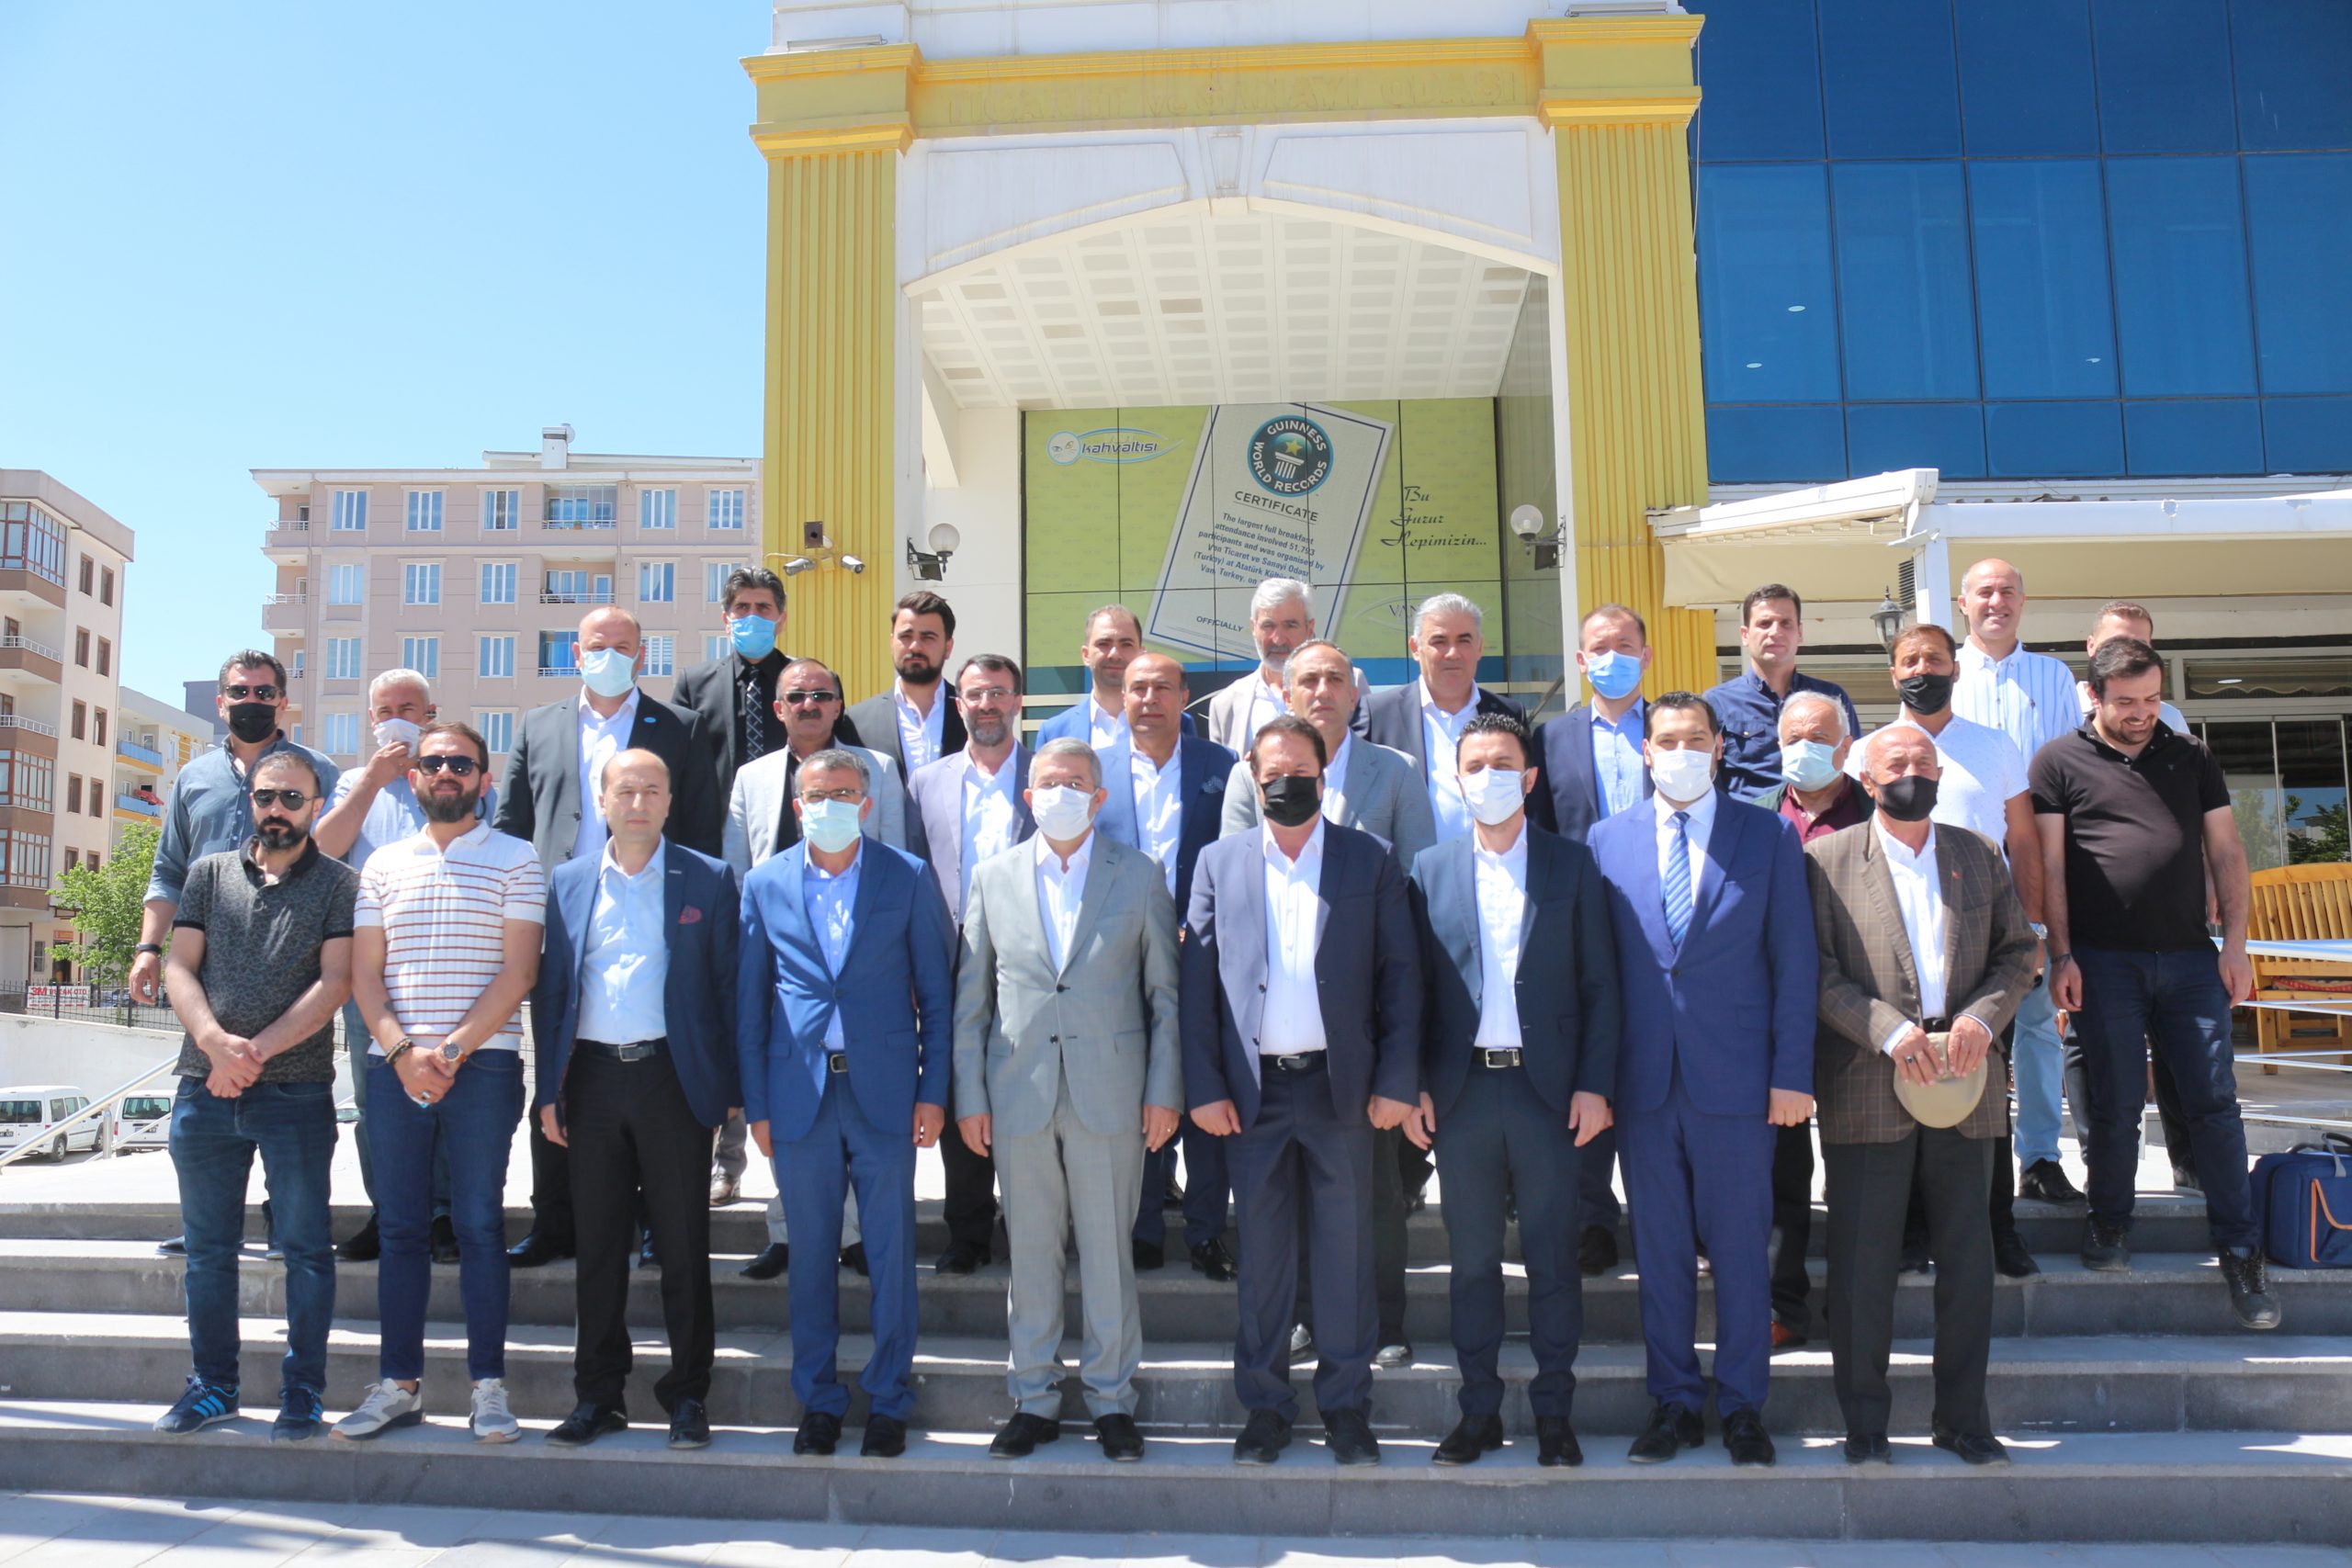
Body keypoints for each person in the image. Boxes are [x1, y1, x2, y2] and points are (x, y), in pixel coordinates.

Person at [1181, 716, 1422, 1468]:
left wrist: (1397, 1081)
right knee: (1264, 1261)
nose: (1287, 785)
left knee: (1347, 1255)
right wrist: (1203, 1086)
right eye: (1273, 774)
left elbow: (1401, 977)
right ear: (1254, 780)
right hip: (1251, 1096)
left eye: (1302, 773)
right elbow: (1197, 988)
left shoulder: (1369, 858)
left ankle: (1347, 1409)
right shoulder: (1218, 861)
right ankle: (1266, 1409)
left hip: (1340, 1092)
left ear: (1324, 776)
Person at [1589, 694, 1816, 1467]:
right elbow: (1600, 974)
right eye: (1667, 740)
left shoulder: (1767, 833)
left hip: (1740, 1083)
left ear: (1719, 747)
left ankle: (1744, 1404)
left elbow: (1794, 962)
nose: (1681, 751)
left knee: (1743, 1250)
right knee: (1659, 1253)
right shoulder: (1606, 839)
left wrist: (1791, 1074)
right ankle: (1675, 1401)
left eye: (1695, 739)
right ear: (1645, 750)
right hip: (1645, 1085)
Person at [1806, 727, 2040, 1468]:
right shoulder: (1825, 860)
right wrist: (1883, 1028)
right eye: (1896, 763)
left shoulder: (1979, 852)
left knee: (1968, 1267)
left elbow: (2018, 952)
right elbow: (1812, 969)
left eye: (1923, 762)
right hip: (1868, 1083)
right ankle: (1865, 1424)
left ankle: (1963, 1420)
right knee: (1862, 1268)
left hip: (1964, 1084)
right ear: (1867, 780)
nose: (1913, 772)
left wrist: (1982, 1019)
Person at [2034, 637, 2280, 1331]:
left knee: (2215, 1103)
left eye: (2150, 698)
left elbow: (2227, 850)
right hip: (2102, 960)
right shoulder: (2058, 761)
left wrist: (2236, 947)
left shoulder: (2191, 755)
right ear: (2094, 696)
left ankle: (2241, 1250)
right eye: (2125, 702)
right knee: (2114, 1103)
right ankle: (2109, 1221)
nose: (2142, 713)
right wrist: (2061, 954)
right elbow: (2050, 868)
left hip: (2191, 960)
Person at [953, 739, 1182, 1463]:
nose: (1062, 793)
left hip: (1110, 1094)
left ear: (1099, 796)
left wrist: (1164, 1091)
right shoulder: (992, 877)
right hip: (1018, 1093)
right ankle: (1035, 1397)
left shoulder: (1139, 874)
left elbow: (1165, 996)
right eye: (1049, 782)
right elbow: (971, 1002)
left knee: (1109, 1251)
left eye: (1076, 782)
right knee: (1030, 1253)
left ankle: (1112, 1400)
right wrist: (969, 1095)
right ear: (1028, 796)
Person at [1408, 714, 1617, 1468]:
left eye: (1504, 764)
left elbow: (1600, 984)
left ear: (1529, 778)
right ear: (1456, 778)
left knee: (1554, 1259)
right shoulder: (1428, 868)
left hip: (1547, 1093)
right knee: (1471, 1265)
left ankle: (1555, 1413)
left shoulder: (1572, 864)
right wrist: (1414, 1084)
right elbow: (1412, 990)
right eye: (1475, 765)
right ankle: (1479, 1411)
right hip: (1462, 1094)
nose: (1489, 776)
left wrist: (1594, 1084)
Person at [737, 749, 956, 1460]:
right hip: (799, 1095)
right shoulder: (765, 882)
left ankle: (889, 1399)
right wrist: (757, 1105)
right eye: (816, 794)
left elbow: (937, 996)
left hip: (885, 1093)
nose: (829, 804)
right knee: (809, 1257)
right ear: (796, 804)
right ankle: (819, 1401)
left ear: (866, 802)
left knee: (891, 1252)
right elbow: (749, 1003)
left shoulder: (907, 875)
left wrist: (933, 1091)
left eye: (844, 793)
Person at [1220, 637, 1430, 1363]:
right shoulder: (1250, 773)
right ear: (1286, 692)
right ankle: (1304, 1316)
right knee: (1290, 1199)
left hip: (1360, 1026)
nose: (1321, 690)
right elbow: (1234, 886)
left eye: (1335, 678)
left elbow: (1417, 884)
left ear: (1355, 691)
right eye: (1307, 678)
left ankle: (1386, 1322)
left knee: (1374, 1193)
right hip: (1277, 1029)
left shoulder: (1394, 771)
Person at [335, 723, 545, 1444]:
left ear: (484, 777)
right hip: (393, 1065)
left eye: (461, 762)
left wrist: (449, 1051)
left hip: (482, 1066)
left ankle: (489, 1388)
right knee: (400, 1228)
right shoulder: (382, 864)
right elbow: (364, 974)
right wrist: (403, 1052)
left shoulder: (518, 858)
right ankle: (398, 1385)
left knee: (480, 1224)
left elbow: (520, 971)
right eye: (433, 762)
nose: (446, 771)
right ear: (414, 777)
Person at [496, 605, 720, 1269]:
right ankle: (554, 1220)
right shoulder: (538, 725)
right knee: (558, 1067)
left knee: (655, 1078)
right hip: (562, 921)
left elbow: (701, 825)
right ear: (576, 652)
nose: (610, 656)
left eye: (624, 647)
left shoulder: (680, 727)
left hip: (654, 918)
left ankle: (654, 1222)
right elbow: (512, 825)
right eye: (598, 645)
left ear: (642, 656)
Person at [531, 750, 740, 1452]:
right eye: (626, 789)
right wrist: (548, 1090)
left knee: (682, 1245)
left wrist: (729, 1092)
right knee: (597, 1247)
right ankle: (598, 1395)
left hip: (672, 1078)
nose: (639, 801)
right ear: (603, 799)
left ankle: (688, 1394)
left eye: (653, 788)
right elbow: (552, 992)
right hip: (590, 1080)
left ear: (670, 799)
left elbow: (727, 988)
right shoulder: (567, 881)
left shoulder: (708, 878)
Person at [153, 750, 356, 1444]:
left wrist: (252, 1054)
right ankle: (214, 1386)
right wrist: (214, 1044)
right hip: (203, 1088)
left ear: (315, 806)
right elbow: (181, 965)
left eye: (292, 798)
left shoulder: (340, 884)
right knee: (208, 1253)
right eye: (267, 796)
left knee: (305, 1250)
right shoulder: (208, 874)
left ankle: (303, 1392)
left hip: (294, 1093)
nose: (277, 809)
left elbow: (335, 984)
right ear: (252, 801)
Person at [1849, 624, 2044, 1279]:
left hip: (1981, 947)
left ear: (1955, 668)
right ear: (1893, 673)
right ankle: (1911, 1231)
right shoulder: (1869, 750)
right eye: (1909, 660)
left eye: (1934, 658)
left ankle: (1997, 1227)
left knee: (1984, 1096)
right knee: (1903, 1094)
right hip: (1895, 948)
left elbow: (2023, 842)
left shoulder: (1993, 745)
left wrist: (2035, 934)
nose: (1921, 669)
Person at [718, 656, 902, 1252]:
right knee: (791, 1110)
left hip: (858, 974)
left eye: (822, 695)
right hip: (784, 973)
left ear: (838, 706)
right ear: (778, 709)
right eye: (797, 696)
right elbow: (738, 873)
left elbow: (898, 861)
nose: (809, 705)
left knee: (857, 1114)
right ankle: (788, 1236)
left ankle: (854, 1239)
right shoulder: (752, 778)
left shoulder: (878, 770)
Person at [315, 669, 490, 1264]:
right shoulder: (352, 783)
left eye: (407, 709)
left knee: (442, 1094)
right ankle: (388, 1210)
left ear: (429, 714)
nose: (396, 719)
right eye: (384, 710)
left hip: (447, 964)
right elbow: (323, 850)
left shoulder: (453, 777)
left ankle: (442, 1214)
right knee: (375, 1099)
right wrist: (372, 780)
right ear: (371, 720)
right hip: (371, 970)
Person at [1095, 651, 1240, 1280]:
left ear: (1185, 697)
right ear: (1121, 698)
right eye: (1138, 688)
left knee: (1205, 1086)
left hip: (1206, 950)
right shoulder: (1094, 770)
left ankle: (1206, 1232)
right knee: (1140, 1088)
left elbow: (1238, 850)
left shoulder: (1222, 765)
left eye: (1162, 688)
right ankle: (1143, 1226)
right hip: (1122, 956)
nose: (1149, 699)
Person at [1950, 558, 2086, 1211]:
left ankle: (2039, 1157)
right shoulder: (1943, 672)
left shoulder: (2052, 676)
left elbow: (2068, 773)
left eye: (2007, 591)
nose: (1996, 601)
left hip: (2037, 872)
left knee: (2036, 1023)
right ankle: (1967, 1162)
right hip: (1963, 880)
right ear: (1963, 603)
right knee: (1968, 1022)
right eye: (1984, 591)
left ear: (2024, 601)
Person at [1532, 604, 1655, 1277]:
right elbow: (1540, 832)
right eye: (1599, 648)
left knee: (1655, 1063)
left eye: (1624, 645)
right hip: (1579, 921)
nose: (1612, 657)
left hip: (1661, 919)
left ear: (1647, 654)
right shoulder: (1550, 739)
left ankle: (1668, 1212)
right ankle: (1592, 1219)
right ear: (1580, 661)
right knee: (1586, 1062)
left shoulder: (1675, 728)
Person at [904, 654, 1035, 1275]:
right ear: (959, 706)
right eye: (976, 694)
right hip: (951, 957)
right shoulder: (925, 782)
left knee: (1030, 1086)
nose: (987, 704)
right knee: (962, 1088)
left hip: (1033, 958)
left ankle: (1032, 1225)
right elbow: (913, 873)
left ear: (1017, 702)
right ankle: (969, 1231)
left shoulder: (1046, 773)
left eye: (999, 693)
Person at [1750, 692, 1870, 1350]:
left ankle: (1857, 1307)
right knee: (1783, 1172)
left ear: (1846, 745)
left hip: (1862, 1016)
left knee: (1859, 1172)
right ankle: (1784, 1304)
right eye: (1793, 737)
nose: (1805, 748)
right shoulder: (1753, 816)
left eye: (1819, 737)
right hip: (1778, 1019)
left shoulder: (1880, 811)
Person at [132, 650, 341, 1007]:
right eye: (239, 692)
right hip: (203, 960)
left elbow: (337, 866)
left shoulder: (319, 772)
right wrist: (148, 949)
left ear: (282, 703)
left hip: (292, 962)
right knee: (206, 1042)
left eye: (264, 693)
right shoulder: (192, 777)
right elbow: (169, 871)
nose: (251, 701)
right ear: (221, 703)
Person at [2074, 601, 2194, 1190]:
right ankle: (2100, 1166)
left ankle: (2187, 1164)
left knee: (2177, 1052)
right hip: (2089, 922)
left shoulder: (2171, 723)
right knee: (2087, 1051)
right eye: (2117, 643)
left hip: (2167, 928)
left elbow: (2188, 812)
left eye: (2143, 646)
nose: (2130, 654)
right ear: (2092, 648)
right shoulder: (2066, 714)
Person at [1354, 592, 1527, 843]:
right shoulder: (1377, 715)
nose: (1453, 653)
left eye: (1464, 640)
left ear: (1479, 647)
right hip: (1407, 866)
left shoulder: (1510, 714)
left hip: (1494, 864)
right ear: (1416, 648)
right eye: (1439, 641)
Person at [1702, 585, 1862, 801]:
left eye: (1786, 623)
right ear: (1745, 635)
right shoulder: (1716, 703)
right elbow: (1708, 777)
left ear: (1800, 633)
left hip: (1824, 818)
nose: (1775, 632)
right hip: (1749, 820)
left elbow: (1854, 764)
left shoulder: (1831, 698)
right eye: (1764, 623)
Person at [670, 565, 792, 805]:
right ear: (727, 620)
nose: (752, 616)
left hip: (789, 815)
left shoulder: (809, 685)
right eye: (742, 607)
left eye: (763, 608)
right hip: (718, 819)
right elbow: (678, 759)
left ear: (781, 620)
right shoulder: (694, 685)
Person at [1035, 604, 1197, 749]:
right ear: (1086, 655)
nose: (1114, 654)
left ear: (1141, 654)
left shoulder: (1179, 723)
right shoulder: (1054, 731)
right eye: (1103, 644)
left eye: (1126, 644)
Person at [841, 591, 964, 778]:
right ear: (892, 642)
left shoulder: (973, 715)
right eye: (906, 636)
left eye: (928, 637)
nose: (915, 646)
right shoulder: (855, 722)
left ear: (948, 647)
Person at [1205, 579, 1315, 754]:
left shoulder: (1346, 685)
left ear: (1309, 629)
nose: (1278, 639)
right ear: (1253, 628)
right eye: (1268, 626)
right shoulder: (1225, 704)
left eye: (1290, 625)